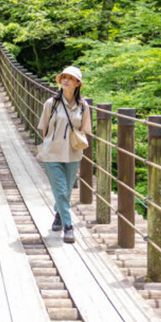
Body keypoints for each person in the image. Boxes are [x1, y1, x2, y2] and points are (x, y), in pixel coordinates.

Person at [37, 66, 92, 243]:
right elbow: (43, 128)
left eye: (70, 78)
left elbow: (85, 130)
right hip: (52, 154)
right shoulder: (51, 104)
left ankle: (59, 215)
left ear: (78, 84)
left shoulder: (83, 106)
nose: (66, 80)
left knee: (66, 191)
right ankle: (68, 227)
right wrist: (50, 144)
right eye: (64, 77)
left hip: (73, 154)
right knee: (61, 190)